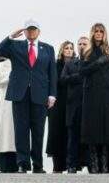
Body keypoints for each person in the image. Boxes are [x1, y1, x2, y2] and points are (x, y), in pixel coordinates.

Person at [0, 19, 57, 173]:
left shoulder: (48, 49)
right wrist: (11, 37)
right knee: (21, 131)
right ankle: (22, 164)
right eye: (28, 29)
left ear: (39, 31)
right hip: (19, 94)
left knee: (38, 131)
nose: (31, 32)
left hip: (40, 94)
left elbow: (52, 73)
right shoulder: (15, 46)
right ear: (24, 31)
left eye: (34, 29)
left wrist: (52, 95)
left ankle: (38, 165)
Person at [79, 23, 109, 174]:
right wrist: (97, 63)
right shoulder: (86, 51)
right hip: (91, 94)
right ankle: (94, 164)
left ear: (104, 34)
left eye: (101, 31)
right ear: (92, 33)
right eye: (96, 31)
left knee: (107, 128)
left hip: (107, 93)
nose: (98, 33)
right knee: (92, 128)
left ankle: (104, 164)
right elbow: (82, 72)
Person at [60, 36, 88, 173]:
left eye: (84, 44)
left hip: (90, 106)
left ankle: (90, 164)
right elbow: (62, 80)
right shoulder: (70, 64)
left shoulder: (94, 63)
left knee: (90, 137)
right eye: (79, 44)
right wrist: (79, 76)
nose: (82, 46)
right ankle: (71, 165)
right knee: (73, 137)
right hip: (73, 106)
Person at [47, 41, 74, 173]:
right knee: (56, 134)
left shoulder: (76, 64)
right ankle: (57, 166)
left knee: (69, 134)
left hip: (71, 102)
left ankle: (70, 164)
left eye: (71, 48)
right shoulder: (55, 65)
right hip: (57, 103)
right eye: (66, 48)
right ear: (62, 50)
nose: (69, 50)